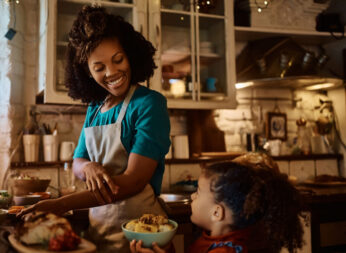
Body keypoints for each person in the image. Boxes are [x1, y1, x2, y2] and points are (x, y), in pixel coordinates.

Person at [19, 5, 171, 252]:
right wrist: (89, 166)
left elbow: (132, 182)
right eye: (99, 68)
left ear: (130, 55)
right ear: (86, 73)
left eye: (118, 59)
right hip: (99, 230)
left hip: (143, 236)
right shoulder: (95, 108)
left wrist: (59, 205)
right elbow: (78, 160)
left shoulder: (149, 104)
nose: (112, 72)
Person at [130, 161, 304, 253]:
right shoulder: (212, 239)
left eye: (198, 192)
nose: (192, 196)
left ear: (216, 212)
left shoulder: (226, 250)